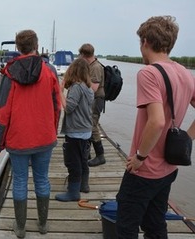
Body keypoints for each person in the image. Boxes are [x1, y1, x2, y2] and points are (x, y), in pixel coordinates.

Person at [116, 15, 195, 238]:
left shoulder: (149, 73)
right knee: (155, 223)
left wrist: (140, 157)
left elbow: (158, 121)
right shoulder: (185, 73)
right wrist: (186, 137)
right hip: (169, 168)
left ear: (145, 42)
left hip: (145, 170)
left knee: (126, 225)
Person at [0, 29, 61, 238]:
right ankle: (43, 225)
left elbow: (3, 111)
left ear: (17, 47)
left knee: (20, 181)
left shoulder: (9, 73)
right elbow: (57, 106)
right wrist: (52, 128)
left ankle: (21, 228)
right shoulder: (50, 71)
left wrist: (0, 139)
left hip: (18, 139)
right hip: (44, 136)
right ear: (36, 44)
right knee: (42, 179)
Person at [55, 58, 94, 202]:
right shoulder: (88, 87)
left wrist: (60, 92)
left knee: (73, 162)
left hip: (76, 131)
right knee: (83, 160)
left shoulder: (77, 87)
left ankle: (73, 192)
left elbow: (69, 108)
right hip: (86, 130)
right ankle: (83, 185)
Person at [78, 43, 106, 167]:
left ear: (84, 55)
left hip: (96, 99)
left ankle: (100, 155)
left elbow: (93, 88)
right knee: (89, 123)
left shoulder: (96, 67)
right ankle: (87, 152)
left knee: (92, 125)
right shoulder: (91, 65)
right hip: (93, 99)